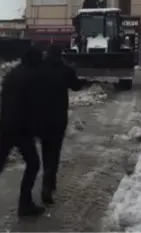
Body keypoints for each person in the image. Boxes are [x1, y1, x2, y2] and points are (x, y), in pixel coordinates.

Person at [0, 46, 46, 218]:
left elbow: (4, 100)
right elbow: (32, 106)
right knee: (33, 163)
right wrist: (38, 128)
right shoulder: (32, 77)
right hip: (21, 127)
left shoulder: (13, 74)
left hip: (6, 125)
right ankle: (25, 203)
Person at [38, 44, 82, 205]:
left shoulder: (39, 69)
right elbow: (77, 87)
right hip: (58, 117)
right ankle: (48, 185)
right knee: (54, 152)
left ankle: (49, 182)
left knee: (45, 150)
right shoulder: (66, 70)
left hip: (42, 117)